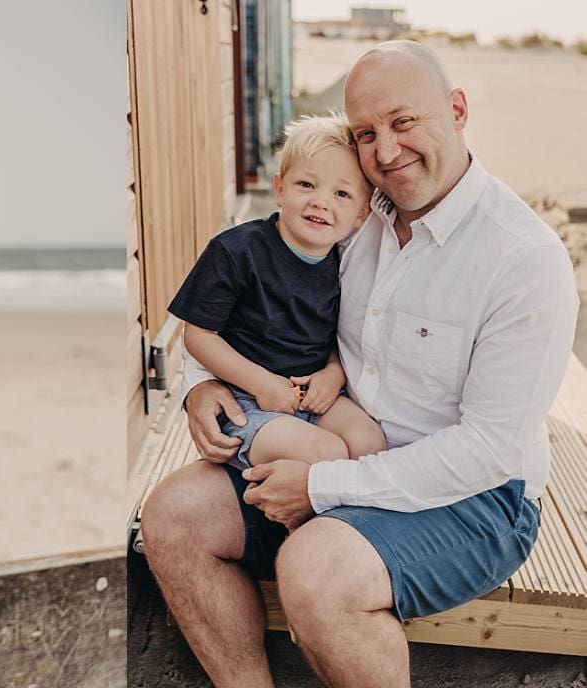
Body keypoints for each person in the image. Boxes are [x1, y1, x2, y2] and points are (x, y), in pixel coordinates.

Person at [139, 41, 576, 686]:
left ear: (457, 109)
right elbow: (262, 302)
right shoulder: (353, 216)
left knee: (315, 570)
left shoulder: (523, 261)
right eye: (366, 134)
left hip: (474, 496)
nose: (387, 152)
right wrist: (204, 387)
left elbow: (487, 451)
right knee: (172, 516)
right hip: (335, 447)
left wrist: (321, 487)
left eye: (404, 123)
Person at [167, 114, 384, 473]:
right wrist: (261, 383)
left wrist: (333, 373)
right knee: (325, 453)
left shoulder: (343, 262)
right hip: (245, 397)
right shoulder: (236, 252)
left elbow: (331, 332)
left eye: (341, 193)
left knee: (369, 444)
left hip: (311, 394)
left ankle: (333, 522)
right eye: (306, 185)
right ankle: (292, 524)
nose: (320, 202)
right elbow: (198, 335)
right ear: (280, 188)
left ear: (361, 214)